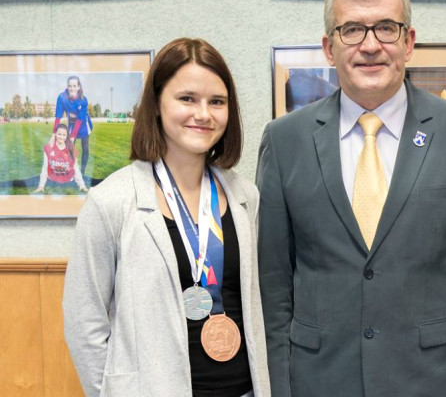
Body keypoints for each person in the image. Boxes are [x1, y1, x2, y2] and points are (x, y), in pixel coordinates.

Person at [256, 0, 446, 397]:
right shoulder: (284, 141)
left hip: (431, 382)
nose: (370, 45)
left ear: (408, 42)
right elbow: (274, 290)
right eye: (352, 29)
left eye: (386, 29)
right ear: (328, 48)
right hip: (318, 382)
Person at [63, 38, 270, 397]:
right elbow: (85, 323)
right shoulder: (110, 202)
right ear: (157, 103)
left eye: (216, 102)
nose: (203, 114)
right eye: (187, 98)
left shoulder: (245, 197)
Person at [52, 75, 93, 175]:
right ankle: (70, 170)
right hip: (71, 123)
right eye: (70, 86)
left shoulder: (83, 100)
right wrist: (54, 134)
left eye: (74, 86)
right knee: (70, 148)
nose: (72, 88)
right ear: (67, 86)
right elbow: (58, 116)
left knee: (85, 148)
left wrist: (73, 136)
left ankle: (82, 173)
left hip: (83, 124)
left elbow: (79, 120)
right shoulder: (62, 97)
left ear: (79, 87)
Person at [34, 123, 88, 193]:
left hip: (69, 180)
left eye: (64, 135)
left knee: (90, 180)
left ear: (67, 136)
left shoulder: (72, 149)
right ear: (55, 134)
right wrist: (41, 186)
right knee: (31, 180)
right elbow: (45, 168)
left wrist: (82, 186)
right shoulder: (48, 148)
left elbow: (76, 169)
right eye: (59, 134)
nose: (61, 137)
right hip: (52, 180)